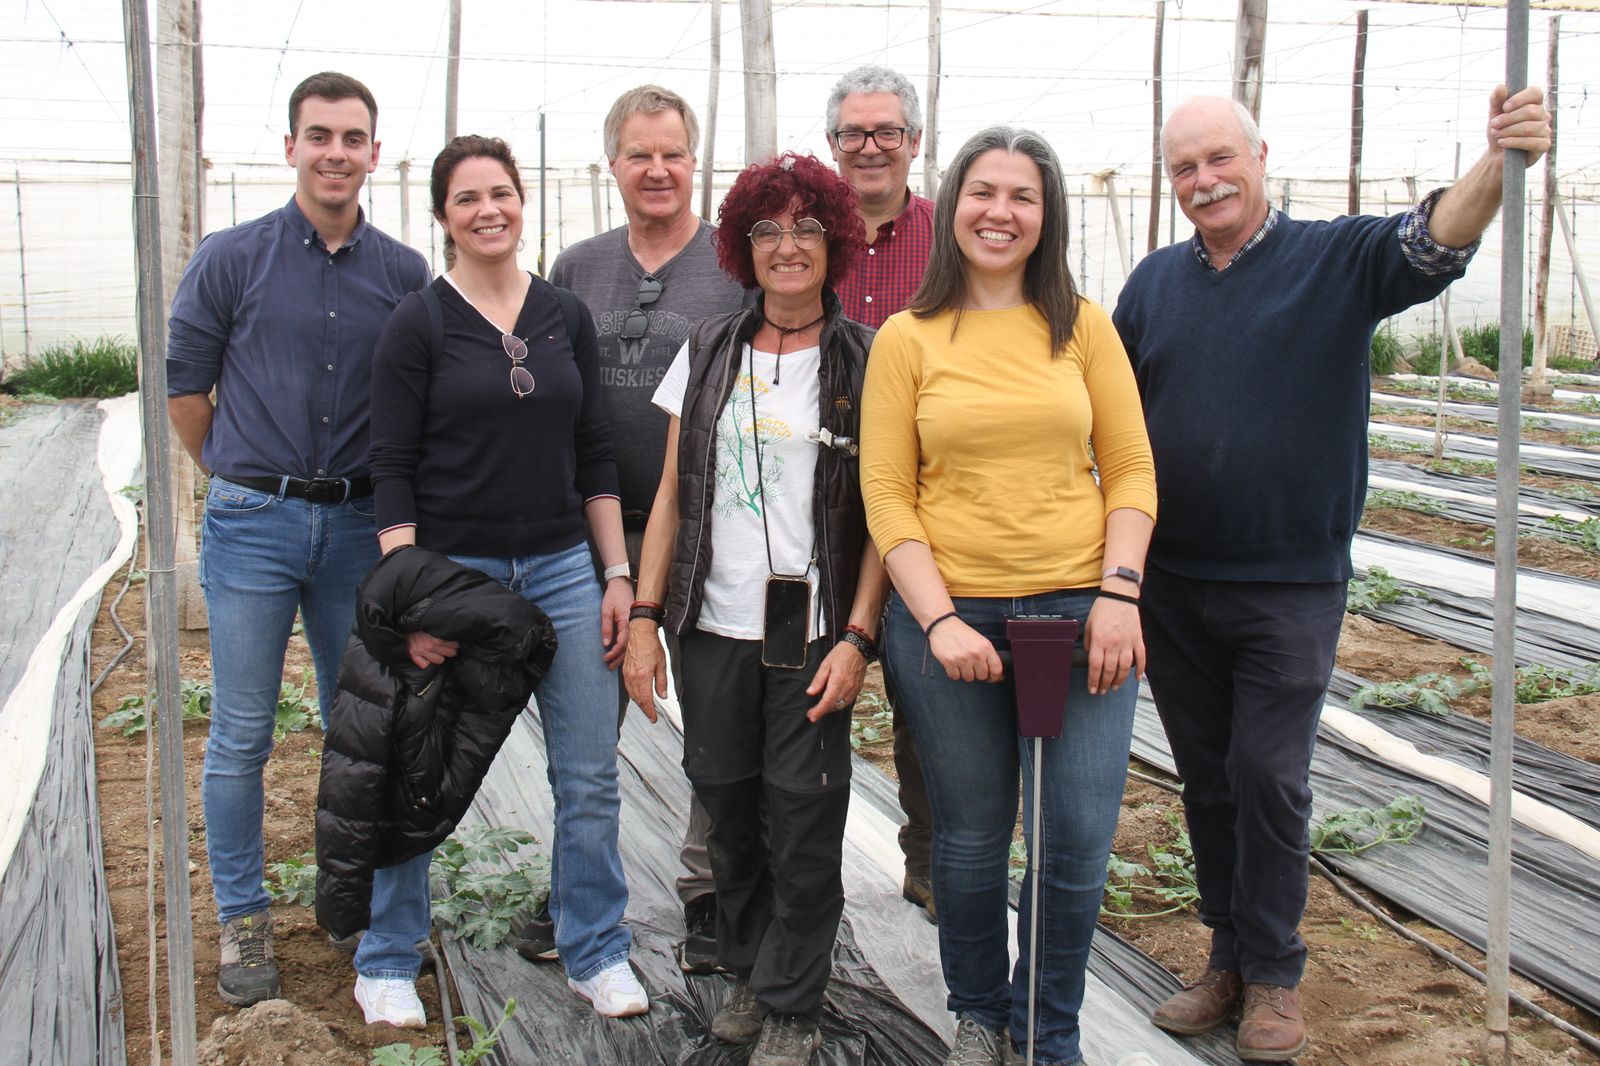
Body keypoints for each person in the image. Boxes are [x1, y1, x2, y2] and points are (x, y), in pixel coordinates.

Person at [1111, 87, 1551, 1062]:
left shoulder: (1336, 259)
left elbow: (1434, 239)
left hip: (1289, 582)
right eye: (1184, 167)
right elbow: (1109, 410)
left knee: (1268, 775)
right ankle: (1226, 956)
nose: (1203, 181)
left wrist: (1498, 158)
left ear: (1260, 155)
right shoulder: (1153, 285)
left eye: (1219, 159)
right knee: (1207, 779)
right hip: (1174, 581)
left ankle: (1274, 971)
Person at [860, 127, 1157, 1066]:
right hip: (952, 622)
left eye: (1022, 196)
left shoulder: (1083, 327)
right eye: (983, 192)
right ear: (952, 205)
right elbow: (887, 494)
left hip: (1081, 614)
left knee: (1076, 838)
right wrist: (939, 618)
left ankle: (1048, 1030)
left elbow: (1130, 467)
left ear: (1046, 213)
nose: (1000, 212)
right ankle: (981, 1016)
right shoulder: (907, 338)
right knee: (972, 834)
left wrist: (1119, 593)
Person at [166, 71, 430, 1019]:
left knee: (359, 727)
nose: (335, 153)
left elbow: (419, 406)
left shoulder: (404, 274)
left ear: (374, 153)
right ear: (290, 148)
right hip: (255, 525)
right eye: (319, 135)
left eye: (353, 138)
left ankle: (352, 902)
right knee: (241, 731)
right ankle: (243, 918)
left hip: (358, 527)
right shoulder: (231, 258)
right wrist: (239, 474)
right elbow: (187, 391)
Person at [367, 134, 648, 1020]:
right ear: (443, 217)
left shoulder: (565, 314)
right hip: (457, 572)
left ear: (522, 202)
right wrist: (412, 597)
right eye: (467, 198)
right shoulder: (420, 322)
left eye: (501, 193)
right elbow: (391, 467)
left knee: (588, 772)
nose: (488, 210)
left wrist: (616, 574)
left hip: (562, 566)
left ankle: (594, 947)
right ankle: (387, 956)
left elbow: (593, 450)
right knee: (419, 765)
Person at [624, 152, 886, 1066]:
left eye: (807, 227)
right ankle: (744, 969)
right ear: (743, 244)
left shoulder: (866, 360)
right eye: (767, 229)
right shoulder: (707, 348)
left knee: (804, 818)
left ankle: (793, 1004)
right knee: (727, 808)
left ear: (835, 241)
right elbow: (669, 494)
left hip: (812, 635)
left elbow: (886, 516)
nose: (787, 246)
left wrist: (858, 636)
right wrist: (647, 617)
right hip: (713, 624)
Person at [546, 85, 746, 973]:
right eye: (640, 154)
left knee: (716, 721)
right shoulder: (577, 268)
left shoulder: (734, 266)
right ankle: (576, 889)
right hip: (596, 533)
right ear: (613, 164)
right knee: (587, 726)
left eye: (672, 153)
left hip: (708, 532)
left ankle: (710, 891)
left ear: (695, 161)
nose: (657, 169)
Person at [823, 63, 939, 921]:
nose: (870, 147)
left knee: (928, 696)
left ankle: (933, 863)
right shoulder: (801, 235)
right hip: (816, 502)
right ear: (833, 143)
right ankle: (794, 870)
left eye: (887, 132)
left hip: (927, 500)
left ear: (914, 142)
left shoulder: (951, 238)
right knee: (801, 682)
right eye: (854, 133)